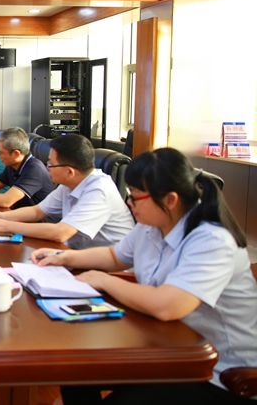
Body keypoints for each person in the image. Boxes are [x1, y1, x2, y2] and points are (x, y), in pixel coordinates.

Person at [32, 148, 257, 405]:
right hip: (165, 348)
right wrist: (62, 257)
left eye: (136, 196)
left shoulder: (211, 241)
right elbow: (114, 256)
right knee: (74, 367)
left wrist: (104, 280)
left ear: (170, 200)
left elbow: (167, 306)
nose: (129, 203)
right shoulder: (152, 227)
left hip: (218, 374)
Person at [0, 134, 133, 248]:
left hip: (113, 269)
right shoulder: (68, 184)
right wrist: (0, 216)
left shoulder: (99, 191)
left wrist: (5, 225)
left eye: (51, 164)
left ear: (70, 172)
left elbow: (60, 232)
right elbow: (37, 212)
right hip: (77, 254)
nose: (47, 168)